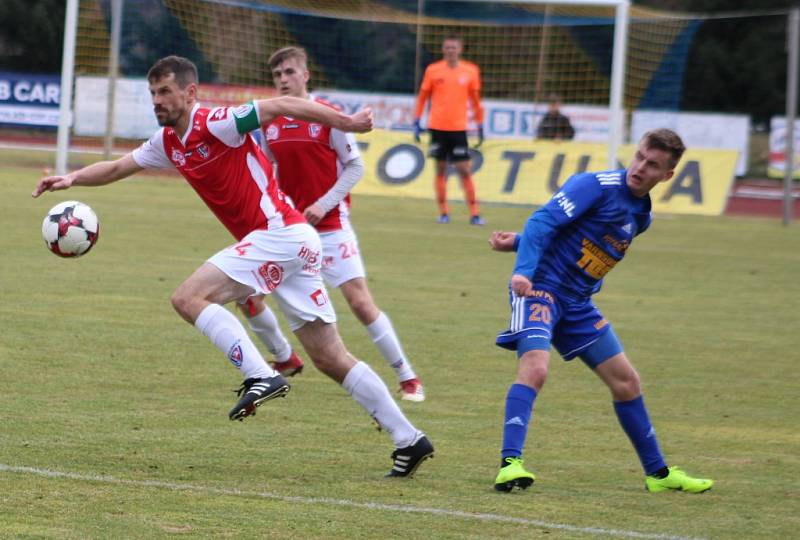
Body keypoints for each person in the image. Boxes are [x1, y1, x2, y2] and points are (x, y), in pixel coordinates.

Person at [32, 55, 433, 478]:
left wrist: (346, 122)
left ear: (190, 92)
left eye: (165, 91)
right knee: (330, 357)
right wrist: (72, 179)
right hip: (292, 242)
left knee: (188, 297)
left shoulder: (217, 121)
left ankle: (261, 374)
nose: (158, 100)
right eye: (153, 93)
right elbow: (116, 167)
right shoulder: (168, 143)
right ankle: (409, 438)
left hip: (279, 234)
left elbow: (279, 107)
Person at [489, 129, 713, 493]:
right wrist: (522, 269)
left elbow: (574, 237)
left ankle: (658, 475)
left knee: (627, 382)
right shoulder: (594, 185)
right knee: (536, 367)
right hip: (539, 290)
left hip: (577, 304)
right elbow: (542, 222)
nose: (640, 167)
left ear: (667, 176)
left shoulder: (641, 216)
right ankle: (509, 465)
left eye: (652, 164)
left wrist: (514, 243)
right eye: (639, 156)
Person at [236, 46, 425, 402]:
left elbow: (355, 167)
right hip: (290, 231)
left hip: (332, 226)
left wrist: (323, 205)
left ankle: (408, 376)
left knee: (360, 303)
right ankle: (285, 358)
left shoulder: (328, 115)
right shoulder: (271, 122)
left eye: (289, 73)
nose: (283, 80)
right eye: (277, 75)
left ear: (305, 76)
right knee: (247, 295)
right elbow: (271, 168)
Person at [413, 36, 485, 226]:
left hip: (458, 129)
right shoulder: (433, 70)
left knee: (464, 170)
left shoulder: (470, 71)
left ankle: (475, 213)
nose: (450, 50)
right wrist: (417, 119)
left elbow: (476, 101)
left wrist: (480, 124)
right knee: (440, 169)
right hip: (437, 128)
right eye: (447, 47)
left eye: (453, 47)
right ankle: (444, 212)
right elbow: (423, 97)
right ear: (443, 50)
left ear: (460, 49)